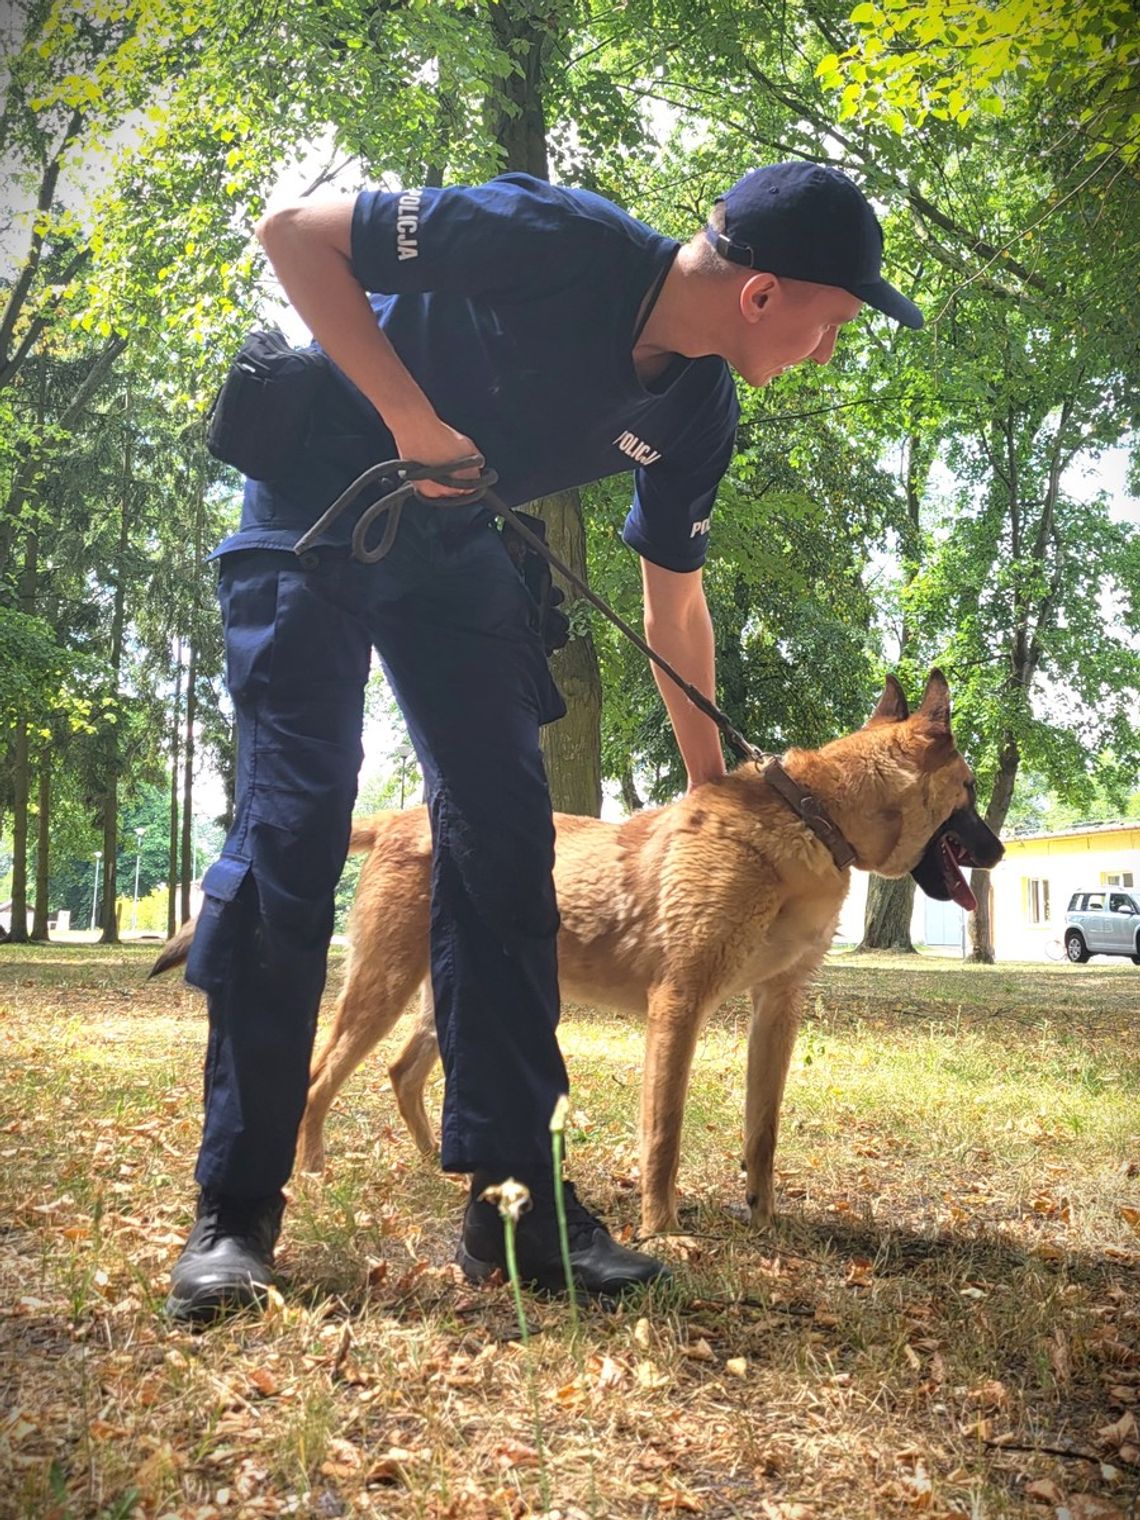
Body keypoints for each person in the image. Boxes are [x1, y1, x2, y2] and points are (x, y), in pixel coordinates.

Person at [167, 161, 923, 1322]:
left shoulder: (697, 412)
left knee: (508, 842)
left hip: (458, 544)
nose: (830, 348)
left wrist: (715, 790)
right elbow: (292, 234)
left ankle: (513, 1209)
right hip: (319, 504)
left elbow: (675, 603)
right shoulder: (553, 235)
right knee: (294, 832)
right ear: (763, 293)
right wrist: (415, 420)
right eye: (835, 318)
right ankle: (237, 1207)